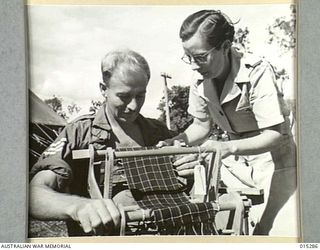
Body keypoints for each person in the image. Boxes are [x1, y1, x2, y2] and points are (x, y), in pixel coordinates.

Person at [159, 10, 297, 235]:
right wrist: (175, 141)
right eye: (189, 57)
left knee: (272, 232)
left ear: (225, 46)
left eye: (201, 57)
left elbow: (274, 134)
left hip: (276, 165)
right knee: (234, 228)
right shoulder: (199, 78)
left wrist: (225, 147)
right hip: (236, 166)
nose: (194, 65)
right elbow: (202, 125)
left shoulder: (256, 72)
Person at [29, 49, 177, 236]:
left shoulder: (158, 132)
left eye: (140, 96)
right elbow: (34, 194)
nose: (133, 106)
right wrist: (78, 207)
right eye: (123, 96)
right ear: (103, 89)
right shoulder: (79, 133)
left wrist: (189, 165)